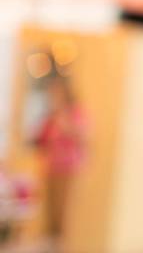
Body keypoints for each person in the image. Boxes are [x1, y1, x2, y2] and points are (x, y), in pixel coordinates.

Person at [33, 74, 88, 242]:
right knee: (50, 210)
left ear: (65, 91)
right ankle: (49, 242)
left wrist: (63, 121)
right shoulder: (52, 114)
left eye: (56, 90)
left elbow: (82, 136)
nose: (53, 94)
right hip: (51, 165)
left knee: (63, 212)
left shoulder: (76, 111)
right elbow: (42, 139)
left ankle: (60, 244)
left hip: (69, 167)